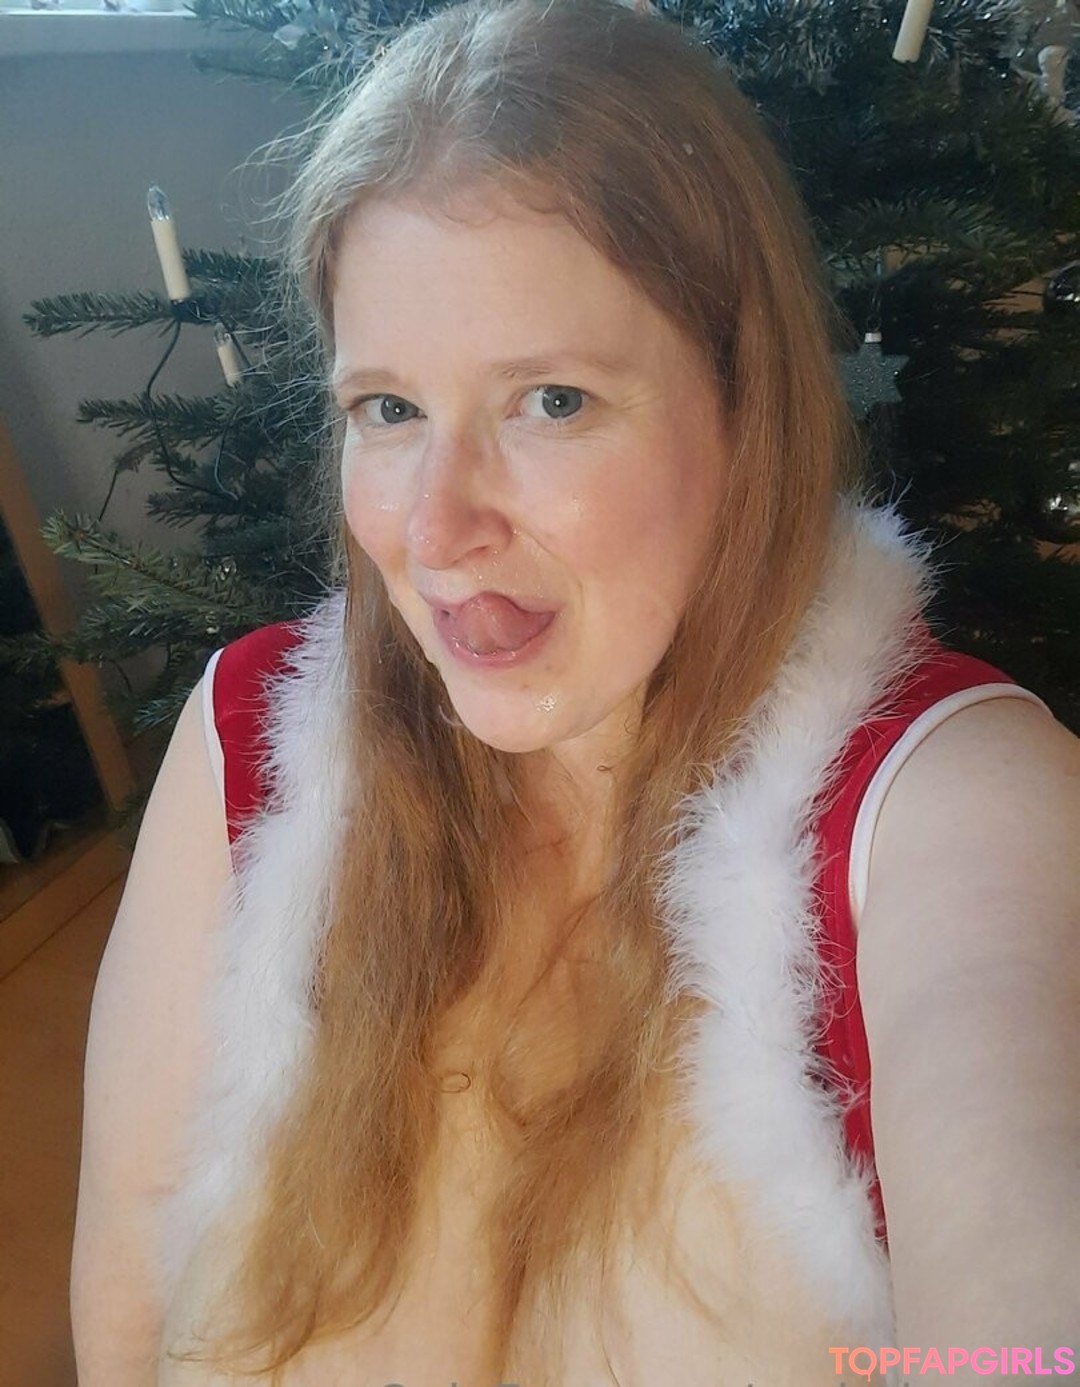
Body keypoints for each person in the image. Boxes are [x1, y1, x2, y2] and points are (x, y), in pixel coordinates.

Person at [70, 0, 1080, 1382]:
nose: (436, 531)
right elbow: (130, 1291)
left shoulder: (946, 798)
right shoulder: (251, 745)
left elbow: (1025, 1283)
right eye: (389, 410)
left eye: (552, 401)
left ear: (748, 411)